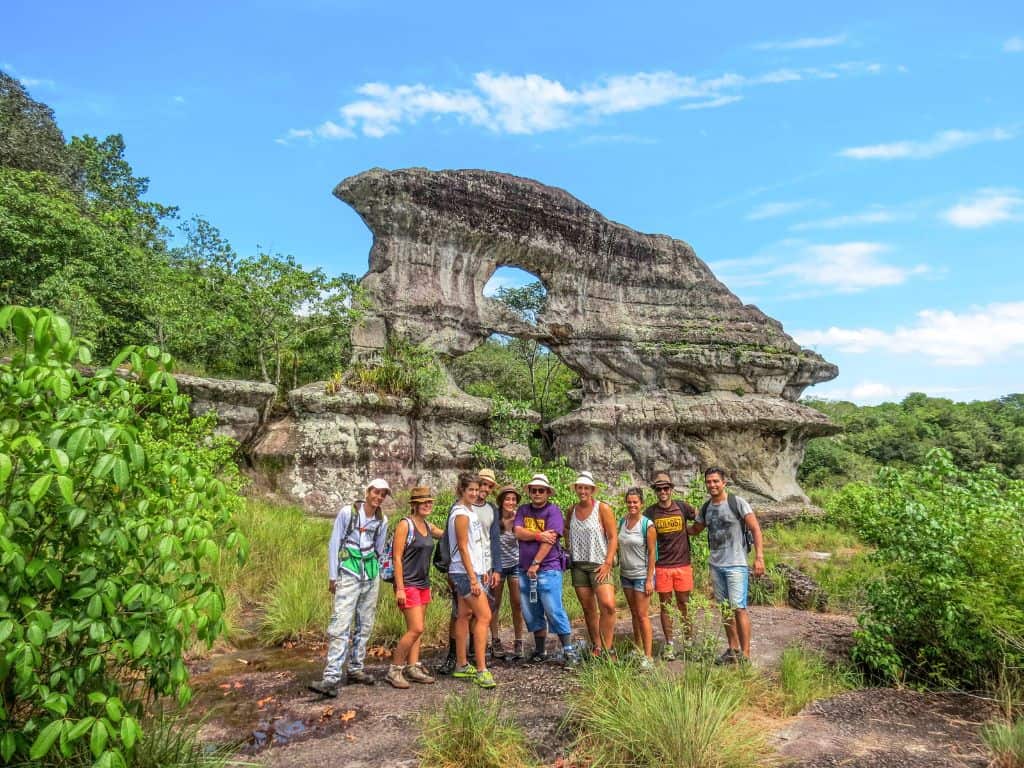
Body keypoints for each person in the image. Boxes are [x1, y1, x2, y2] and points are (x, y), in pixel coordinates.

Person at [308, 478, 390, 697]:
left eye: (383, 494)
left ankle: (356, 668)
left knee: (365, 624)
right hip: (349, 571)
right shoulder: (348, 513)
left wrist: (379, 573)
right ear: (368, 491)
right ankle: (331, 677)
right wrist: (333, 575)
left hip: (370, 573)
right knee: (341, 623)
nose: (379, 497)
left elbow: (379, 549)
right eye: (376, 492)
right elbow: (335, 542)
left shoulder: (382, 520)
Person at [688, 466, 765, 664]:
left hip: (737, 564)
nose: (712, 485)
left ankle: (745, 655)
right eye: (708, 481)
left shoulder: (737, 503)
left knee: (738, 608)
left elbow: (755, 528)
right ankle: (733, 649)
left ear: (724, 483)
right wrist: (676, 524)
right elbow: (696, 529)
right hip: (716, 565)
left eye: (715, 481)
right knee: (724, 609)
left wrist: (759, 557)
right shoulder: (706, 507)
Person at [438, 468, 502, 673]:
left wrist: (484, 569)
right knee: (484, 616)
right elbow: (463, 547)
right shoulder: (460, 513)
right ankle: (482, 669)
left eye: (477, 489)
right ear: (461, 490)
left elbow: (479, 544)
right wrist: (474, 579)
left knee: (464, 614)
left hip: (473, 570)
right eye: (471, 490)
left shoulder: (470, 510)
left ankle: (461, 664)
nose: (475, 493)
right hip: (465, 572)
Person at [514, 473, 581, 666]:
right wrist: (537, 536)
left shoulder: (553, 511)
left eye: (540, 490)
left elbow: (551, 540)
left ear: (547, 493)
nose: (536, 493)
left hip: (547, 569)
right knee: (531, 610)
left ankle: (568, 650)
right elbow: (517, 531)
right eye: (533, 490)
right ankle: (540, 649)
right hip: (524, 569)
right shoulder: (523, 510)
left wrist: (536, 563)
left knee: (553, 609)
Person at [386, 486, 445, 689]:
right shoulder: (405, 525)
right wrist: (400, 588)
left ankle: (413, 666)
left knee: (419, 630)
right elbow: (397, 557)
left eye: (429, 501)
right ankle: (394, 669)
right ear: (414, 504)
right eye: (423, 502)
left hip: (423, 583)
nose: (427, 505)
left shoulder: (428, 526)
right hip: (408, 583)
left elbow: (446, 534)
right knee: (416, 628)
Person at [644, 470, 697, 661]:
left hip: (683, 565)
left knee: (684, 604)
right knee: (665, 606)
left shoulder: (682, 507)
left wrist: (691, 531)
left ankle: (689, 642)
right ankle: (669, 645)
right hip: (662, 566)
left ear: (671, 489)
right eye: (659, 489)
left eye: (666, 488)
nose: (663, 491)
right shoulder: (650, 512)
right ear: (655, 491)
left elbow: (700, 518)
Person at [566, 471, 618, 656]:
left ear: (592, 490)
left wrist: (608, 563)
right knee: (588, 608)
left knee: (608, 605)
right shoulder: (571, 510)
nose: (582, 491)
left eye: (586, 488)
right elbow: (566, 530)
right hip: (579, 565)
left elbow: (612, 537)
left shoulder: (602, 509)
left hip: (599, 564)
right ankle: (596, 645)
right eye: (579, 487)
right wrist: (568, 551)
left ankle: (608, 647)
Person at [617, 487, 657, 669]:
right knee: (633, 613)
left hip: (642, 575)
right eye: (629, 502)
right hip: (626, 574)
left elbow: (651, 553)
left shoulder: (647, 525)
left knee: (642, 615)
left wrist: (650, 579)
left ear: (642, 504)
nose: (632, 505)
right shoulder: (622, 522)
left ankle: (648, 657)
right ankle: (638, 647)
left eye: (635, 502)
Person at [491, 485, 526, 660]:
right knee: (494, 604)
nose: (510, 502)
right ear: (501, 501)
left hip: (515, 565)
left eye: (513, 499)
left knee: (517, 603)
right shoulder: (494, 518)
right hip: (497, 567)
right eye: (507, 499)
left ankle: (519, 640)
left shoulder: (519, 518)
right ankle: (495, 640)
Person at [473, 468, 504, 655]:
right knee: (462, 612)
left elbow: (495, 540)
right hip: (465, 566)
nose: (485, 488)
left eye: (489, 485)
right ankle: (457, 654)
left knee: (484, 609)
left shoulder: (492, 509)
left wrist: (497, 569)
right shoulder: (463, 505)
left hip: (486, 566)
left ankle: (479, 650)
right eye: (482, 484)